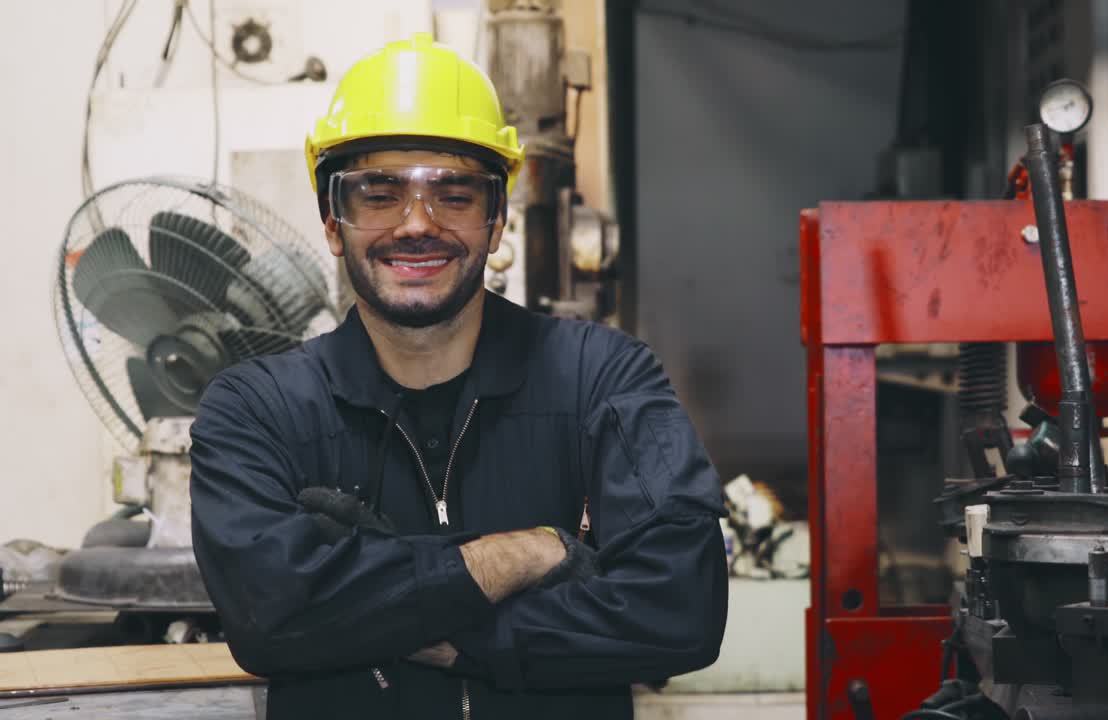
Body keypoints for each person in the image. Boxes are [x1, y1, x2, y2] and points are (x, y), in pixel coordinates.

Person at [189, 33, 728, 719]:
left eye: (454, 194)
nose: (418, 224)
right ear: (333, 222)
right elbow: (266, 617)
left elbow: (681, 607)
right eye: (379, 193)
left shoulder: (600, 376)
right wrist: (525, 555)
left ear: (497, 219)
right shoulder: (257, 408)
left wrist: (407, 621)